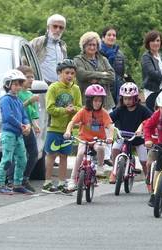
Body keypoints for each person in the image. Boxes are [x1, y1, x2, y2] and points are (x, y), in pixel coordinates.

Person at [64, 84, 114, 191]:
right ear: (89, 100)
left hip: (98, 139)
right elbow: (72, 122)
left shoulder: (104, 113)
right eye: (95, 100)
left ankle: (100, 167)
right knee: (80, 154)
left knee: (100, 147)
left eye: (100, 101)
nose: (98, 103)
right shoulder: (83, 111)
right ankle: (72, 179)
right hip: (84, 139)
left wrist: (110, 137)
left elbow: (110, 126)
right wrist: (68, 131)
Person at [43, 59, 82, 193]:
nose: (70, 76)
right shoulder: (53, 88)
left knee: (64, 156)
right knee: (51, 154)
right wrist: (65, 110)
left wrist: (74, 109)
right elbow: (50, 108)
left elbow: (79, 107)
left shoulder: (76, 89)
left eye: (72, 73)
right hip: (54, 128)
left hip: (68, 130)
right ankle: (47, 183)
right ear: (60, 73)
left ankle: (61, 183)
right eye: (67, 73)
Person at [0, 70, 31, 194]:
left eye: (19, 84)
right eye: (15, 84)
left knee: (22, 159)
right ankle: (0, 185)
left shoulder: (18, 100)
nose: (18, 87)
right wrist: (20, 125)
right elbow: (8, 116)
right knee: (7, 159)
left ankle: (17, 184)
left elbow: (24, 115)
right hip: (9, 134)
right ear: (7, 84)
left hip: (18, 134)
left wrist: (27, 124)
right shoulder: (5, 99)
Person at [108, 82, 152, 185]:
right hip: (122, 136)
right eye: (125, 98)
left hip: (138, 138)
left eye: (130, 98)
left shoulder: (142, 109)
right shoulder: (120, 109)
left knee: (144, 161)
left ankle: (148, 179)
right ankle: (114, 171)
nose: (127, 101)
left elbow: (151, 119)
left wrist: (143, 129)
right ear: (122, 99)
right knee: (115, 149)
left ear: (136, 98)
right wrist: (106, 124)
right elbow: (109, 119)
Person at [74, 31, 115, 111]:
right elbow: (82, 75)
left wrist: (96, 80)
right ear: (84, 46)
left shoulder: (103, 59)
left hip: (106, 103)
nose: (92, 47)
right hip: (87, 103)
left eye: (94, 45)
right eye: (89, 45)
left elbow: (112, 76)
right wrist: (103, 74)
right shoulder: (78, 60)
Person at [16, 66, 40, 192]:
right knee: (19, 154)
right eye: (28, 77)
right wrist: (29, 101)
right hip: (20, 127)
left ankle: (25, 178)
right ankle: (13, 180)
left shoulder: (31, 94)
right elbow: (18, 109)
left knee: (34, 153)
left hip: (29, 127)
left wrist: (36, 124)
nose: (31, 79)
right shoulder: (18, 93)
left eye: (32, 77)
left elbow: (33, 113)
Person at [100, 26, 134, 105]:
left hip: (118, 90)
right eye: (109, 35)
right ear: (103, 38)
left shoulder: (120, 54)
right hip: (104, 89)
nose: (111, 37)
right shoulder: (97, 53)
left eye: (114, 35)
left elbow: (121, 74)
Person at [30, 14, 67, 84]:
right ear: (48, 27)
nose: (58, 30)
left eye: (61, 27)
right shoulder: (37, 42)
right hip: (41, 86)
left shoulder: (63, 46)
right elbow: (24, 60)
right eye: (55, 26)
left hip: (58, 86)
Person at [141, 30, 162, 111]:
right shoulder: (146, 57)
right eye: (153, 41)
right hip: (152, 92)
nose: (156, 43)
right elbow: (152, 73)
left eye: (158, 40)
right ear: (148, 43)